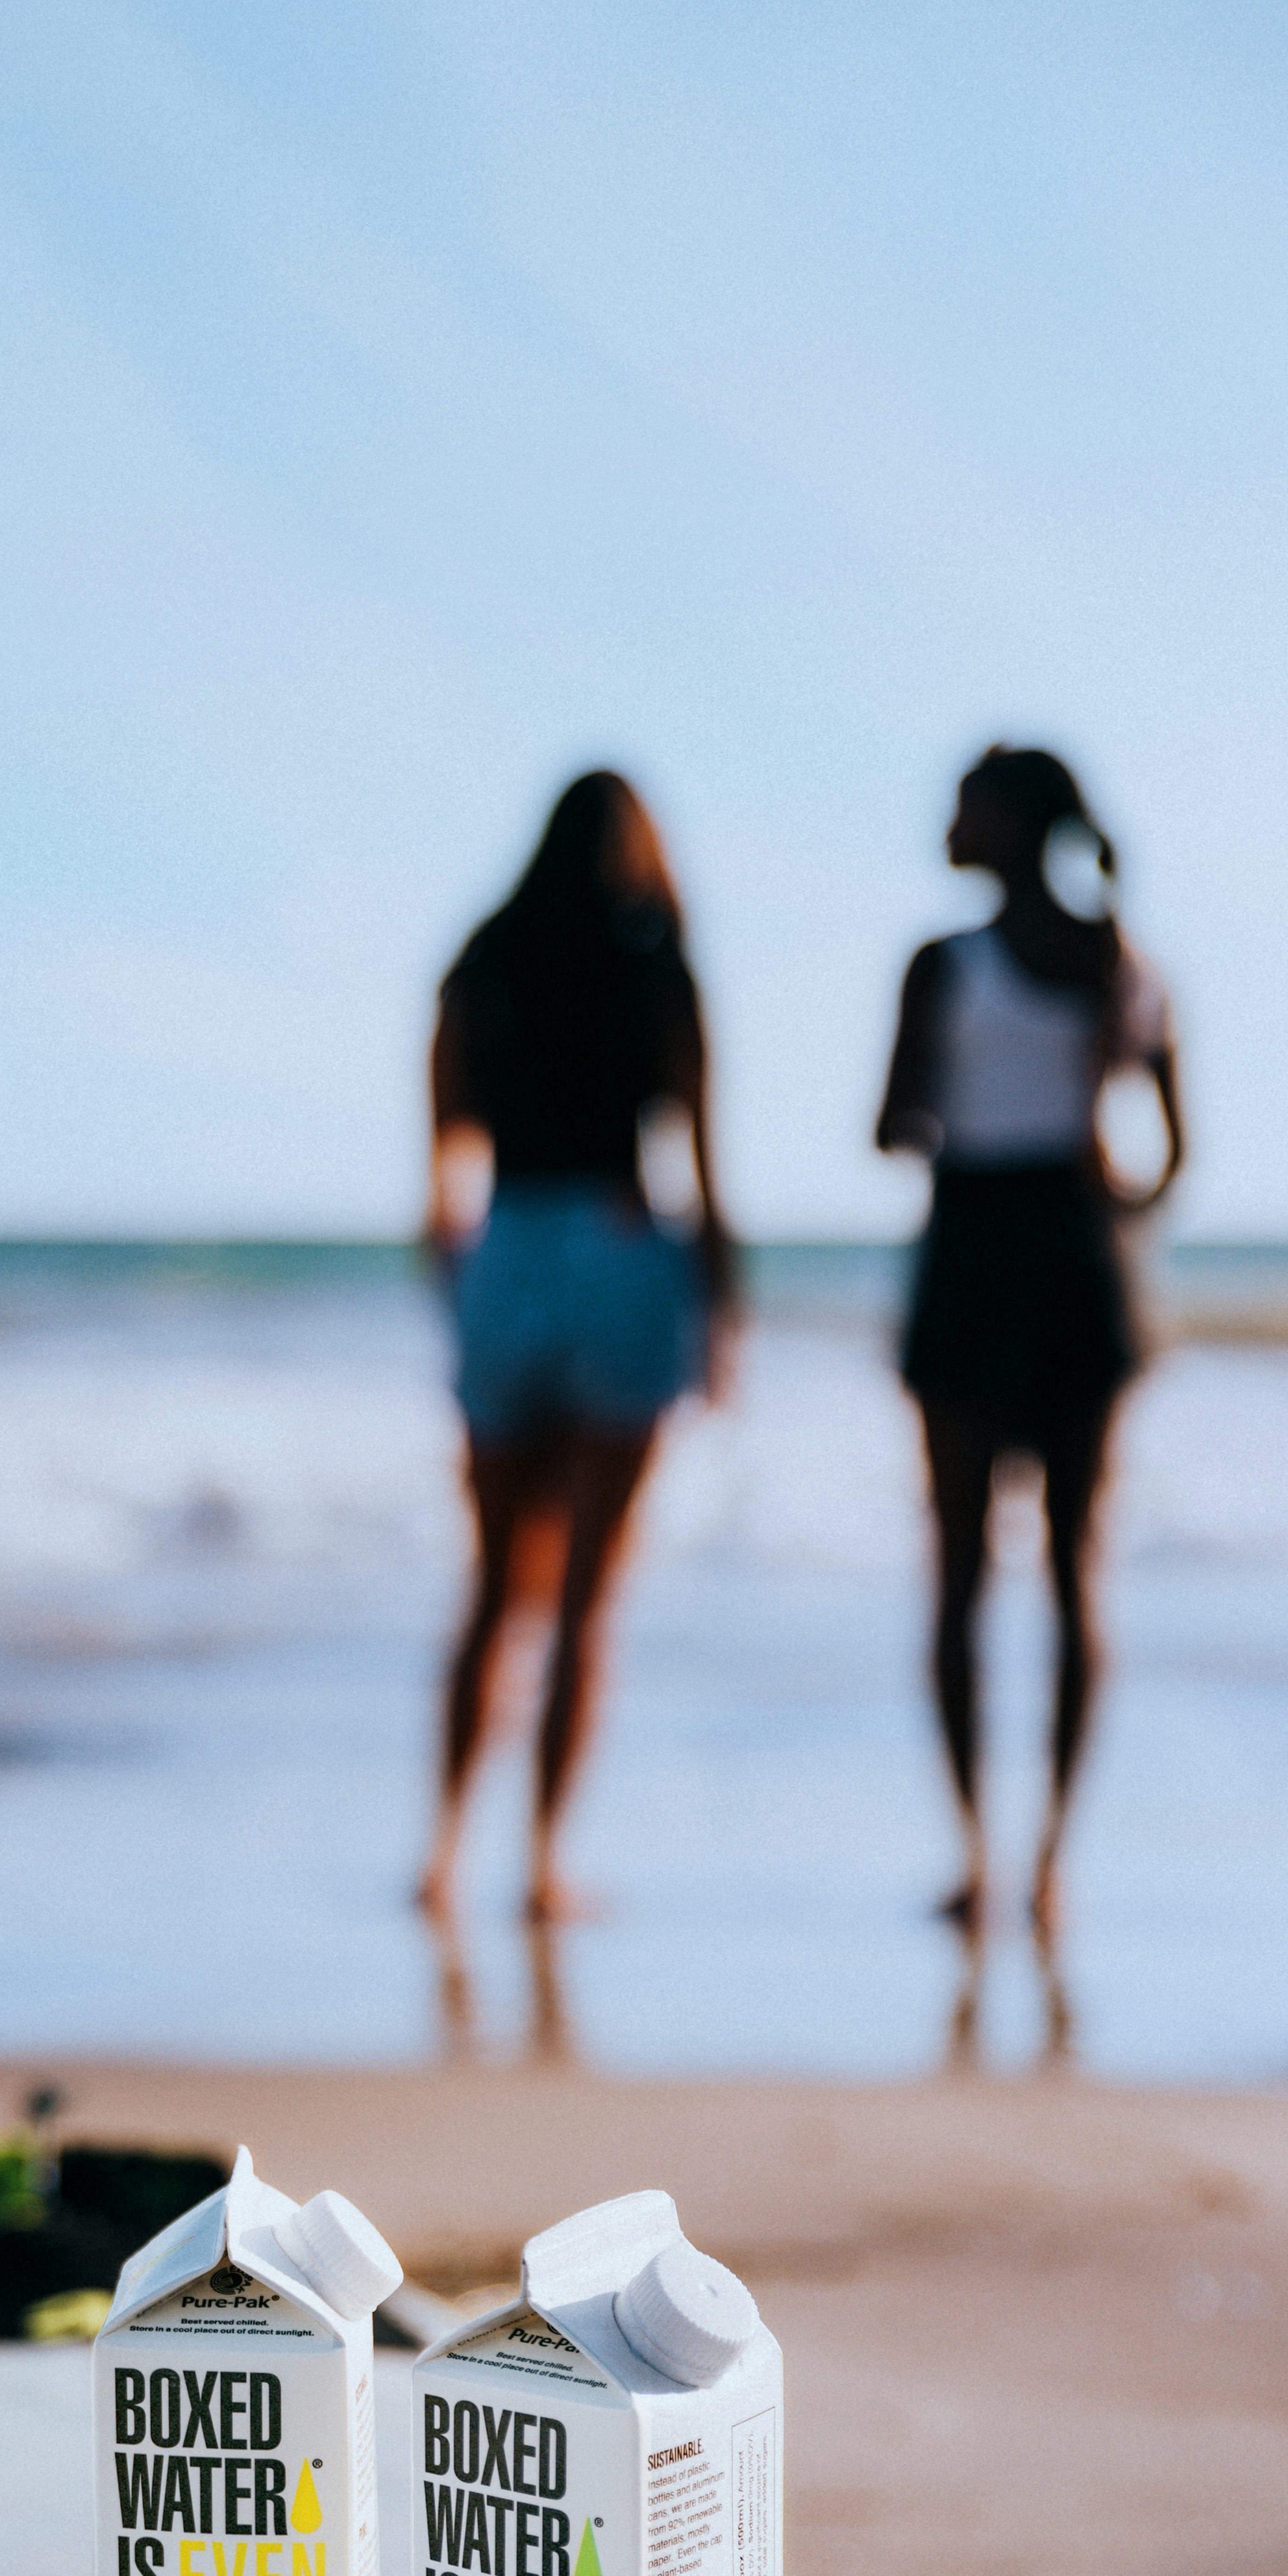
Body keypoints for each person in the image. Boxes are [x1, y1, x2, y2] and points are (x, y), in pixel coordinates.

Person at [876, 744, 1185, 1938]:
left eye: (966, 803)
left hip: (975, 1254)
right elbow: (1175, 1152)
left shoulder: (944, 966)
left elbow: (892, 1122)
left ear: (1011, 824)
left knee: (961, 1573)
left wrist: (959, 1117)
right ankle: (1048, 1856)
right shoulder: (1124, 963)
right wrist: (1113, 1214)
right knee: (1072, 1569)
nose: (949, 819)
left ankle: (981, 1855)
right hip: (1080, 1261)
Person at [418, 770, 736, 1925]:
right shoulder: (657, 961)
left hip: (507, 1241)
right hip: (618, 1238)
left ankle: (444, 1851)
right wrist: (721, 1298)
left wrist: (445, 1225)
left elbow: (446, 1114)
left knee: (496, 1582)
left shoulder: (488, 954)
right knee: (587, 1599)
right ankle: (544, 1863)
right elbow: (700, 1150)